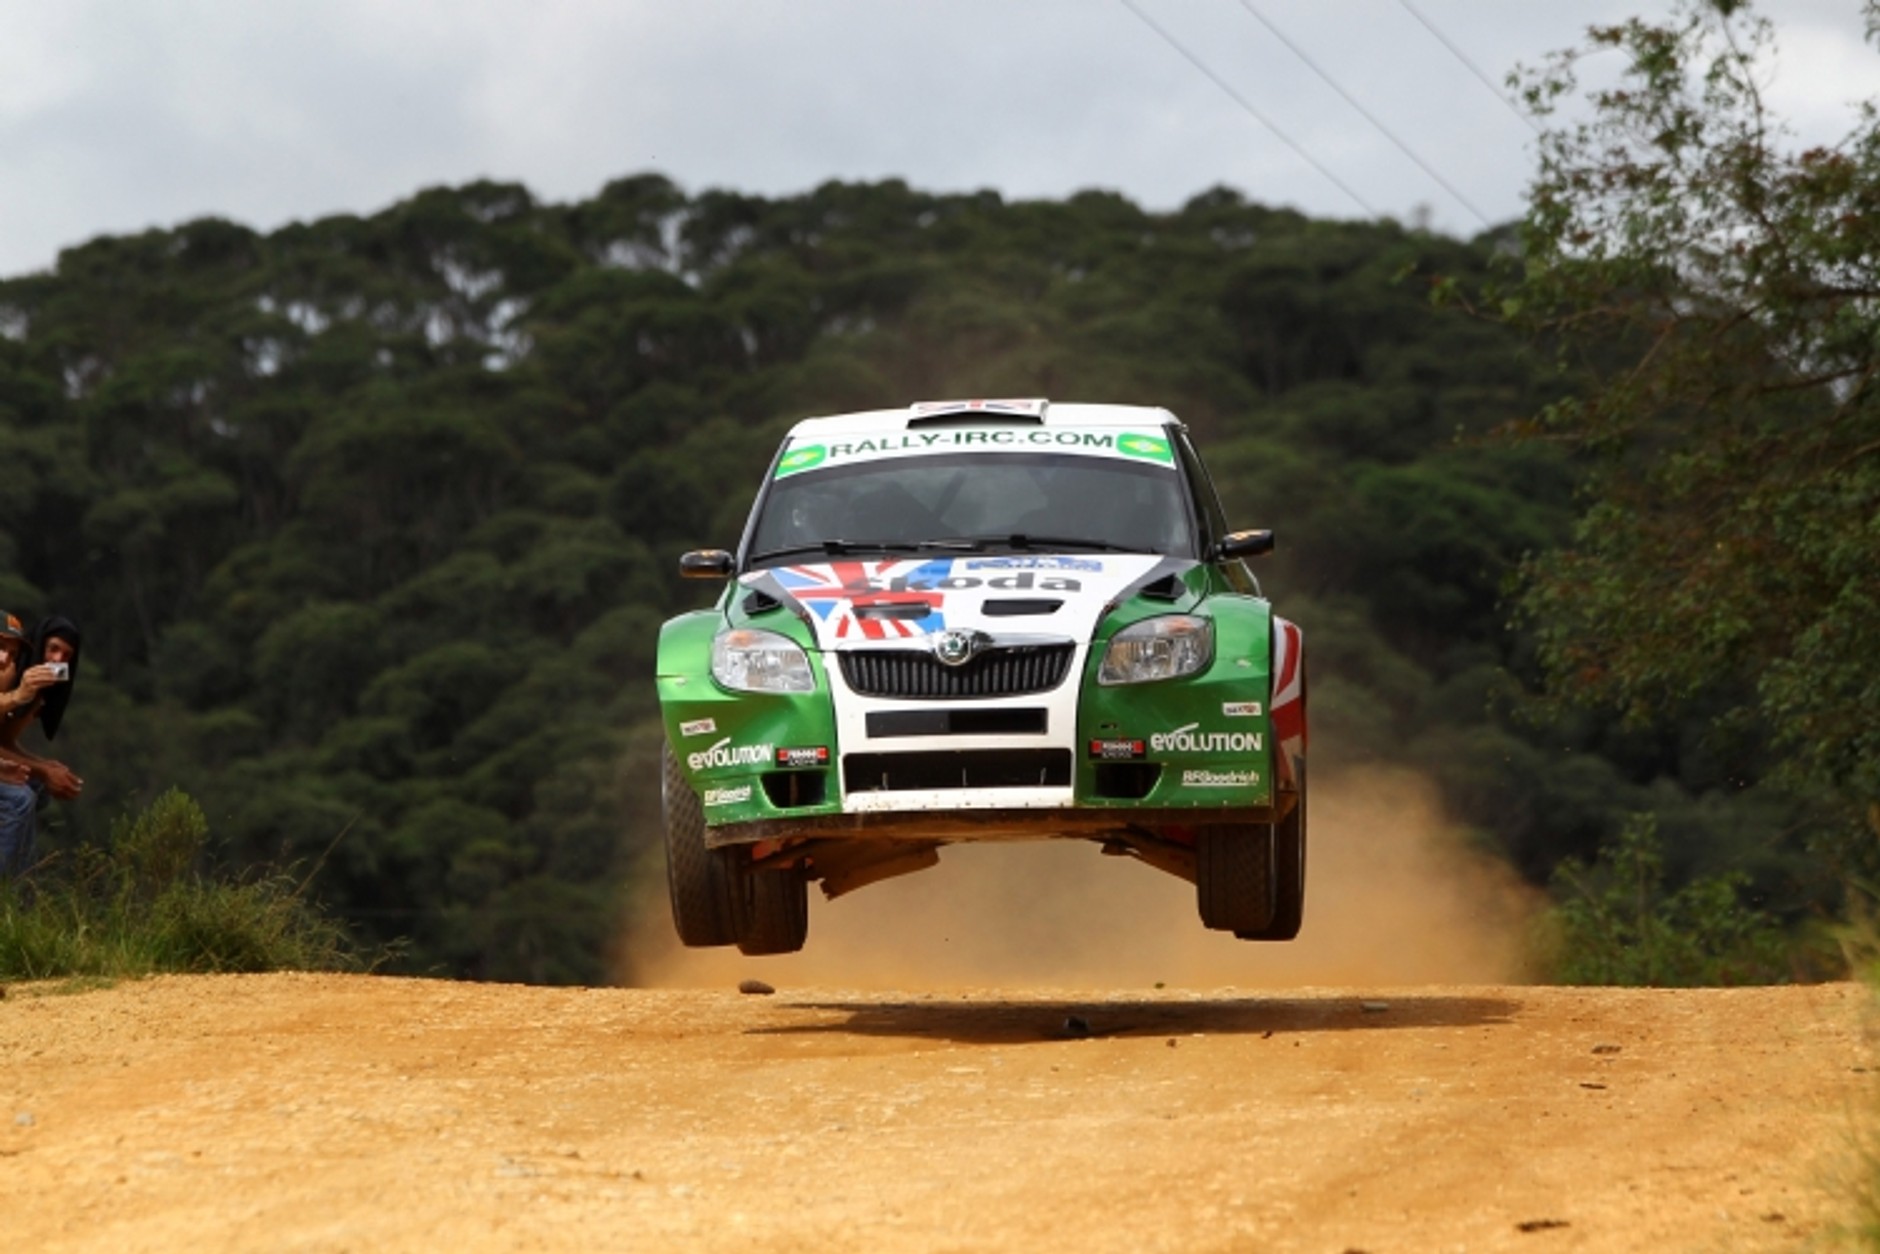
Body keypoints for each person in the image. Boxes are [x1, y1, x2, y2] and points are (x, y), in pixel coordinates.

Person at [0, 612, 83, 880]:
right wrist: (18, 695)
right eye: (53, 649)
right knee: (19, 798)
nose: (57, 660)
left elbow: (3, 740)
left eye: (66, 655)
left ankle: (21, 888)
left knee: (36, 790)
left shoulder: (33, 687)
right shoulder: (11, 674)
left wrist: (41, 767)